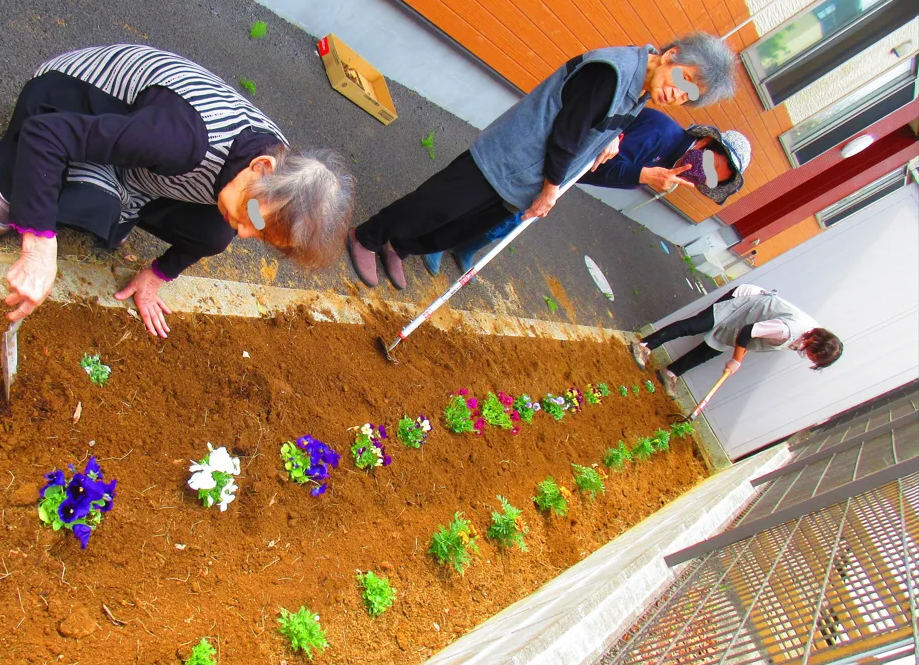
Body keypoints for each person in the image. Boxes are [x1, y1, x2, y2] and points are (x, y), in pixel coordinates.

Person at [0, 44, 353, 338]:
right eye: (255, 220)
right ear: (262, 168)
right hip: (69, 104)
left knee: (214, 232)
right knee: (70, 210)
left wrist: (156, 276)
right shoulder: (177, 139)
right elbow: (47, 133)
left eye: (262, 235)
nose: (246, 232)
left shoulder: (279, 167)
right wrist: (38, 247)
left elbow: (227, 227)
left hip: (135, 149)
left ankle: (75, 193)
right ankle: (10, 175)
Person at [346, 31, 739, 289]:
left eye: (690, 97)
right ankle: (368, 236)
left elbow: (599, 124)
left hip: (528, 174)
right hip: (512, 155)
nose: (679, 95)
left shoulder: (640, 89)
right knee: (436, 205)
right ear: (671, 56)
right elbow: (567, 132)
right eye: (684, 80)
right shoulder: (614, 73)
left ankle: (398, 246)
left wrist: (613, 140)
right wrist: (551, 190)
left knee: (460, 225)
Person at [423, 109, 751, 275]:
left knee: (521, 217)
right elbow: (596, 163)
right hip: (560, 157)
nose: (704, 174)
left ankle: (468, 246)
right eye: (712, 164)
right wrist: (643, 174)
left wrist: (646, 176)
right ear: (707, 143)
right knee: (500, 202)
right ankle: (438, 239)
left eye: (713, 177)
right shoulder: (660, 135)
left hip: (568, 176)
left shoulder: (675, 164)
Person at [630, 284, 843, 397]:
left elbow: (757, 336)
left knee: (713, 349)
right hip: (742, 302)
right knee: (696, 325)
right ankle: (644, 346)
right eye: (813, 356)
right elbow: (748, 332)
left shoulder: (805, 337)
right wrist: (737, 360)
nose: (809, 358)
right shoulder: (789, 330)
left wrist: (739, 355)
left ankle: (670, 373)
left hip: (752, 317)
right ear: (815, 343)